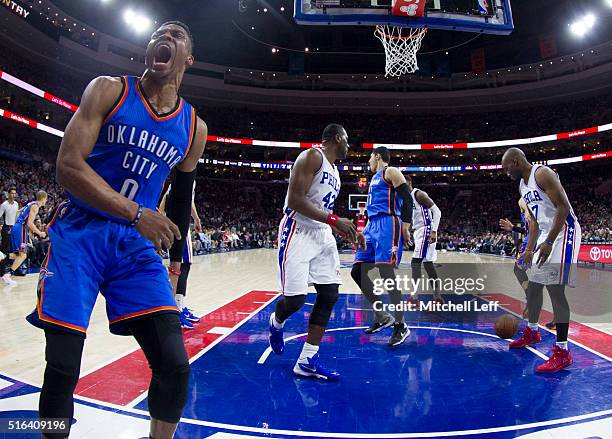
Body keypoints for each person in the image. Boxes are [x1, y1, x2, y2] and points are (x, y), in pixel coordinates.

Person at [25, 21, 208, 439]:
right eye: (159, 32)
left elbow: (181, 199)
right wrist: (135, 213)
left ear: (189, 59)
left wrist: (178, 267)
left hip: (134, 249)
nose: (166, 37)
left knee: (175, 365)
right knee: (64, 363)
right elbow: (68, 165)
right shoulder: (109, 89)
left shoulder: (194, 127)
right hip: (80, 234)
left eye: (178, 34)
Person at [268, 124, 356, 380]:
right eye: (347, 140)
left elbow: (321, 206)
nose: (349, 146)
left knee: (329, 294)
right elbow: (295, 200)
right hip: (298, 231)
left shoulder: (336, 172)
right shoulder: (312, 156)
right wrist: (334, 220)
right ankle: (276, 321)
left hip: (322, 234)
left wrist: (338, 228)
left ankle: (307, 358)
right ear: (337, 138)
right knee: (294, 300)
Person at [501, 147, 581, 373]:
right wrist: (529, 249)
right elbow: (534, 224)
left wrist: (549, 242)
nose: (507, 173)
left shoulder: (542, 174)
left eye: (507, 168)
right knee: (535, 288)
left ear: (516, 161)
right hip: (545, 234)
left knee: (556, 290)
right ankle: (532, 331)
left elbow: (563, 208)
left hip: (565, 232)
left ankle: (563, 352)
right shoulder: (522, 186)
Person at [351, 147, 414, 346]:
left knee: (387, 274)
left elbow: (408, 197)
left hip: (388, 223)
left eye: (370, 157)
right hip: (372, 225)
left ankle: (401, 325)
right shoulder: (374, 178)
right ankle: (382, 315)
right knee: (357, 270)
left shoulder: (390, 171)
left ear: (377, 156)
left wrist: (405, 224)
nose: (368, 161)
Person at [159, 179, 202, 329]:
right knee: (183, 265)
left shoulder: (174, 181)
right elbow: (188, 201)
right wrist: (196, 219)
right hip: (179, 224)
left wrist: (161, 216)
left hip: (171, 221)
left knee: (179, 266)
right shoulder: (188, 177)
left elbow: (164, 200)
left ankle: (179, 306)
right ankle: (177, 309)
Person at [499, 198, 539, 318]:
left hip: (533, 238)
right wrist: (513, 228)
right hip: (537, 235)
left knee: (519, 270)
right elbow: (528, 228)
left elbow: (532, 223)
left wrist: (527, 210)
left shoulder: (524, 199)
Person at [407, 176, 444, 305]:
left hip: (426, 230)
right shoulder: (405, 198)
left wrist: (433, 230)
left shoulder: (418, 194)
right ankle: (437, 297)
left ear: (409, 182)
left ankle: (414, 298)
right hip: (419, 231)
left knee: (415, 263)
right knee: (428, 265)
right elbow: (414, 218)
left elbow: (437, 212)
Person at [2, 191, 47, 286]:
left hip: (17, 227)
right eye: (46, 199)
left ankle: (2, 258)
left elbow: (18, 212)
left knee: (16, 254)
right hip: (21, 228)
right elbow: (30, 223)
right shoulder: (35, 206)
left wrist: (16, 225)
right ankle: (7, 274)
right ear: (43, 198)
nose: (46, 201)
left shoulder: (31, 203)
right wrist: (40, 233)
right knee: (23, 255)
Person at [0, 187, 19, 264]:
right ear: (8, 194)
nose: (14, 195)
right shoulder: (4, 205)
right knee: (5, 248)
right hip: (6, 228)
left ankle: (11, 265)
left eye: (15, 193)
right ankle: (2, 265)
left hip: (14, 228)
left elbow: (16, 216)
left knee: (14, 248)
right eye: (12, 193)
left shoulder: (16, 204)